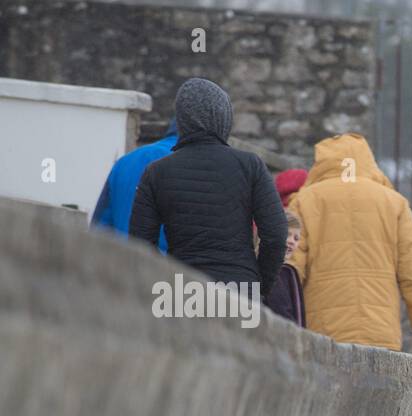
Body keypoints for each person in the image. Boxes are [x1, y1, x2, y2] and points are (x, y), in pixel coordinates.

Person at [129, 78, 286, 296]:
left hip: (180, 290)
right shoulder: (250, 166)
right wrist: (259, 285)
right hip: (239, 289)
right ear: (224, 117)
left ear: (182, 120)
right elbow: (276, 236)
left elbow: (140, 246)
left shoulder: (156, 172)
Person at [288, 133, 412, 349]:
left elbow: (290, 270)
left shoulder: (303, 202)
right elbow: (411, 272)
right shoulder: (395, 203)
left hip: (325, 334)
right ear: (368, 160)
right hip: (381, 332)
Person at [92, 118, 178, 251]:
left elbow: (99, 228)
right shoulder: (196, 167)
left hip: (119, 264)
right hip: (169, 269)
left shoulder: (123, 162)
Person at [265, 209, 305, 327]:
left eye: (296, 238)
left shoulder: (288, 272)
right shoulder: (275, 271)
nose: (292, 241)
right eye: (288, 234)